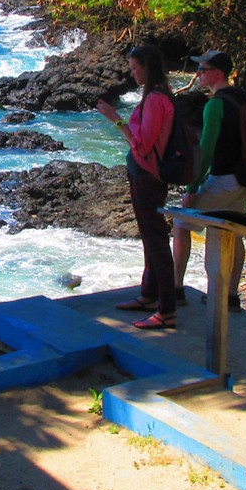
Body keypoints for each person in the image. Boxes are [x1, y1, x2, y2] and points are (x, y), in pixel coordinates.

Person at [96, 44, 179, 330]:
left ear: (147, 67)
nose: (132, 74)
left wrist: (115, 120)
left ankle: (166, 309)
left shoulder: (156, 100)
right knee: (150, 236)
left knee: (155, 240)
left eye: (134, 68)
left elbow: (142, 145)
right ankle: (149, 294)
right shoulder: (157, 95)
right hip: (145, 174)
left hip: (148, 175)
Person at [172, 51, 246, 312]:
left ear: (217, 74)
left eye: (203, 69)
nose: (198, 74)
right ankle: (230, 296)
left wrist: (192, 188)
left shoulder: (215, 105)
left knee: (182, 222)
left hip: (224, 178)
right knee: (233, 229)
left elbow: (206, 151)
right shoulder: (243, 98)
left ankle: (176, 288)